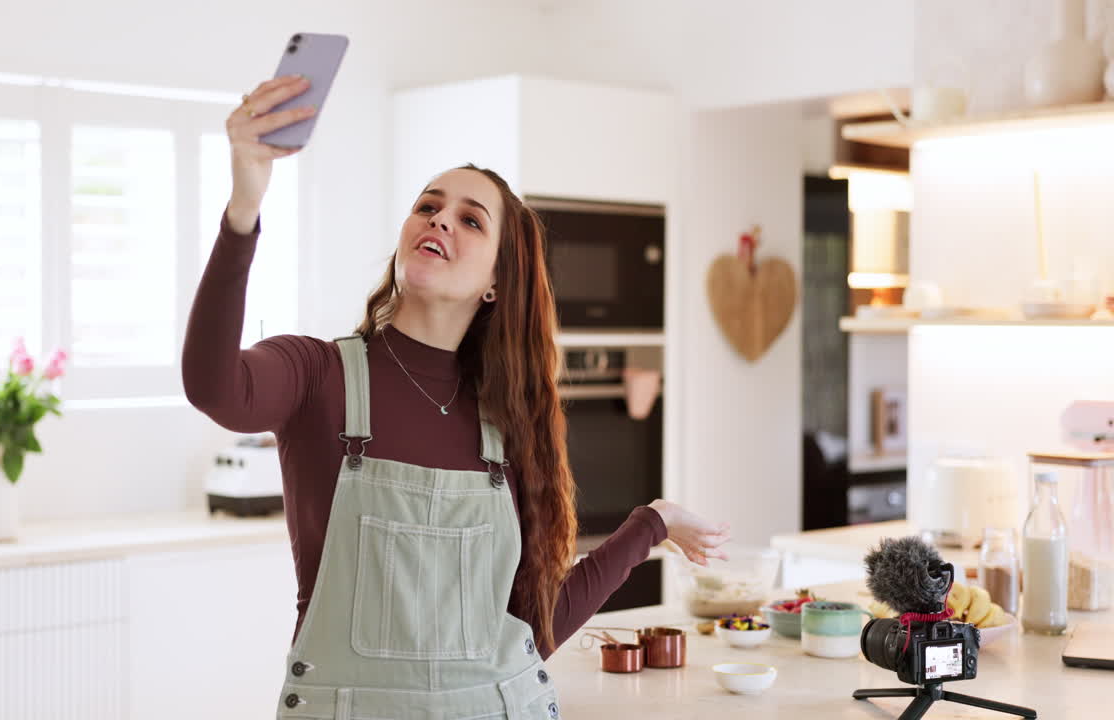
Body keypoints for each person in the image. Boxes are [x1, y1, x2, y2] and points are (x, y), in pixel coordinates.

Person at [183, 73, 732, 720]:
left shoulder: (507, 420)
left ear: (497, 280)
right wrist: (244, 206)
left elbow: (532, 628)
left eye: (470, 219)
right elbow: (213, 385)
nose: (440, 218)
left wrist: (653, 523)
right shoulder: (318, 373)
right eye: (428, 206)